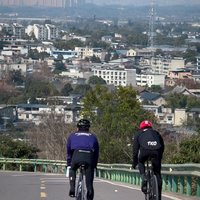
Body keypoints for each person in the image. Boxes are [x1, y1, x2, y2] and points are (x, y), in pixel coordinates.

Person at [66, 119, 99, 200]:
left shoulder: (72, 135)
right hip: (89, 157)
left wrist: (69, 164)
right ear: (88, 128)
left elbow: (69, 152)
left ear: (78, 128)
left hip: (77, 155)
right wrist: (94, 165)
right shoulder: (93, 137)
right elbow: (96, 153)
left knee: (73, 169)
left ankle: (72, 189)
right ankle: (90, 190)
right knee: (89, 182)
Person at [132, 120, 164, 200]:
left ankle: (144, 179)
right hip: (156, 151)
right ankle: (159, 196)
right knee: (157, 173)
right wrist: (159, 157)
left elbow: (135, 150)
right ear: (150, 127)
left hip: (144, 152)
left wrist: (134, 163)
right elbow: (162, 146)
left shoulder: (138, 134)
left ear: (141, 127)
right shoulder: (156, 133)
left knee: (141, 161)